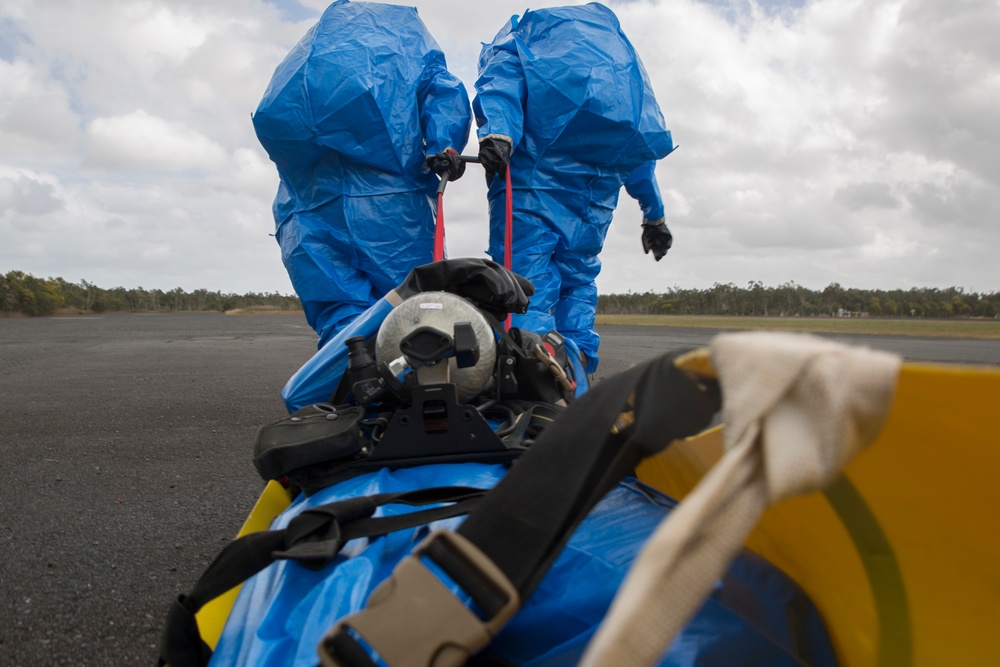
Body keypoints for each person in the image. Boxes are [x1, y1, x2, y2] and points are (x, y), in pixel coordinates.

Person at [253, 0, 472, 348]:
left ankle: (356, 398)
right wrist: (444, 148)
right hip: (391, 206)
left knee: (343, 324)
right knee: (415, 315)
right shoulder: (408, 39)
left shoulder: (305, 55)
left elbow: (274, 120)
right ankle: (411, 395)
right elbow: (442, 91)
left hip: (304, 211)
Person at [473, 2, 675, 373]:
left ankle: (531, 389)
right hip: (592, 209)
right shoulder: (621, 72)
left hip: (531, 194)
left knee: (524, 292)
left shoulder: (524, 40)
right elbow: (638, 151)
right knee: (577, 289)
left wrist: (498, 134)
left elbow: (500, 85)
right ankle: (574, 380)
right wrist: (654, 216)